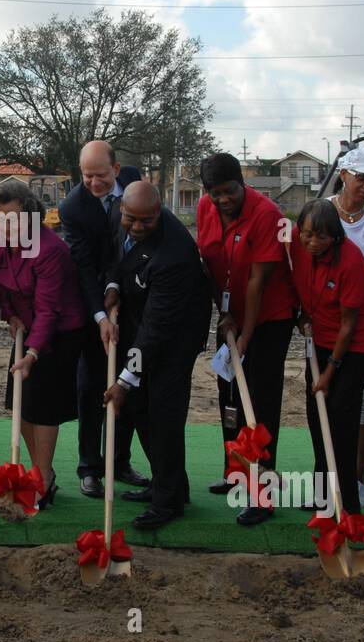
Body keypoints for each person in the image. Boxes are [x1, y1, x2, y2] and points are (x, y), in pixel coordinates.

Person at [195, 152, 298, 526]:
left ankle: (262, 493)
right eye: (215, 192)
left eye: (230, 191)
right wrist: (224, 317)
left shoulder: (266, 213)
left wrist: (247, 334)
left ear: (243, 182)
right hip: (230, 316)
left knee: (260, 399)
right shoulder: (205, 208)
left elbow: (258, 280)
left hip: (268, 318)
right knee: (229, 396)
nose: (223, 199)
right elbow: (208, 263)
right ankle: (235, 472)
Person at [102, 183, 211, 529]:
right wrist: (114, 286)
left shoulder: (174, 255)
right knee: (139, 408)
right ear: (122, 210)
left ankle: (168, 503)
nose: (136, 227)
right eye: (130, 219)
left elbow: (155, 333)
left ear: (160, 210)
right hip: (145, 325)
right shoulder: (124, 217)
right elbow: (119, 257)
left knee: (163, 415)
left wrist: (123, 380)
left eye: (145, 221)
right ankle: (171, 484)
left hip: (174, 339)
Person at [57, 140, 149, 500]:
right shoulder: (73, 207)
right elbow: (83, 267)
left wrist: (123, 291)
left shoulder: (135, 181)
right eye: (86, 175)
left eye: (100, 175)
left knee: (128, 380)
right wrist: (100, 316)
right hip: (94, 301)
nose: (93, 183)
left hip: (137, 298)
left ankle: (119, 461)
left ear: (116, 169)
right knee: (92, 383)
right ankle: (89, 467)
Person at [0, 180, 84, 507]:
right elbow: (3, 285)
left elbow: (49, 309)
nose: (7, 225)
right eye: (0, 218)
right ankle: (37, 470)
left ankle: (44, 478)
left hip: (57, 333)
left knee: (43, 406)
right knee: (21, 403)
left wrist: (32, 353)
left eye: (14, 218)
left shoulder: (50, 249)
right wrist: (9, 315)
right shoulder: (1, 241)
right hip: (24, 326)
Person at [286, 199, 364, 517]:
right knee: (317, 416)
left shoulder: (350, 260)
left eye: (322, 237)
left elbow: (349, 324)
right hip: (321, 339)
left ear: (335, 237)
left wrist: (329, 371)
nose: (313, 242)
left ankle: (349, 506)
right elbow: (302, 294)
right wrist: (302, 317)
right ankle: (322, 496)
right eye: (307, 234)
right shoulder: (299, 250)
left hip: (353, 346)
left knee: (341, 420)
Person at [323, 147, 364, 507]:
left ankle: (358, 478)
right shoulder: (324, 213)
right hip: (327, 315)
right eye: (362, 177)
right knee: (331, 395)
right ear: (345, 174)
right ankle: (330, 474)